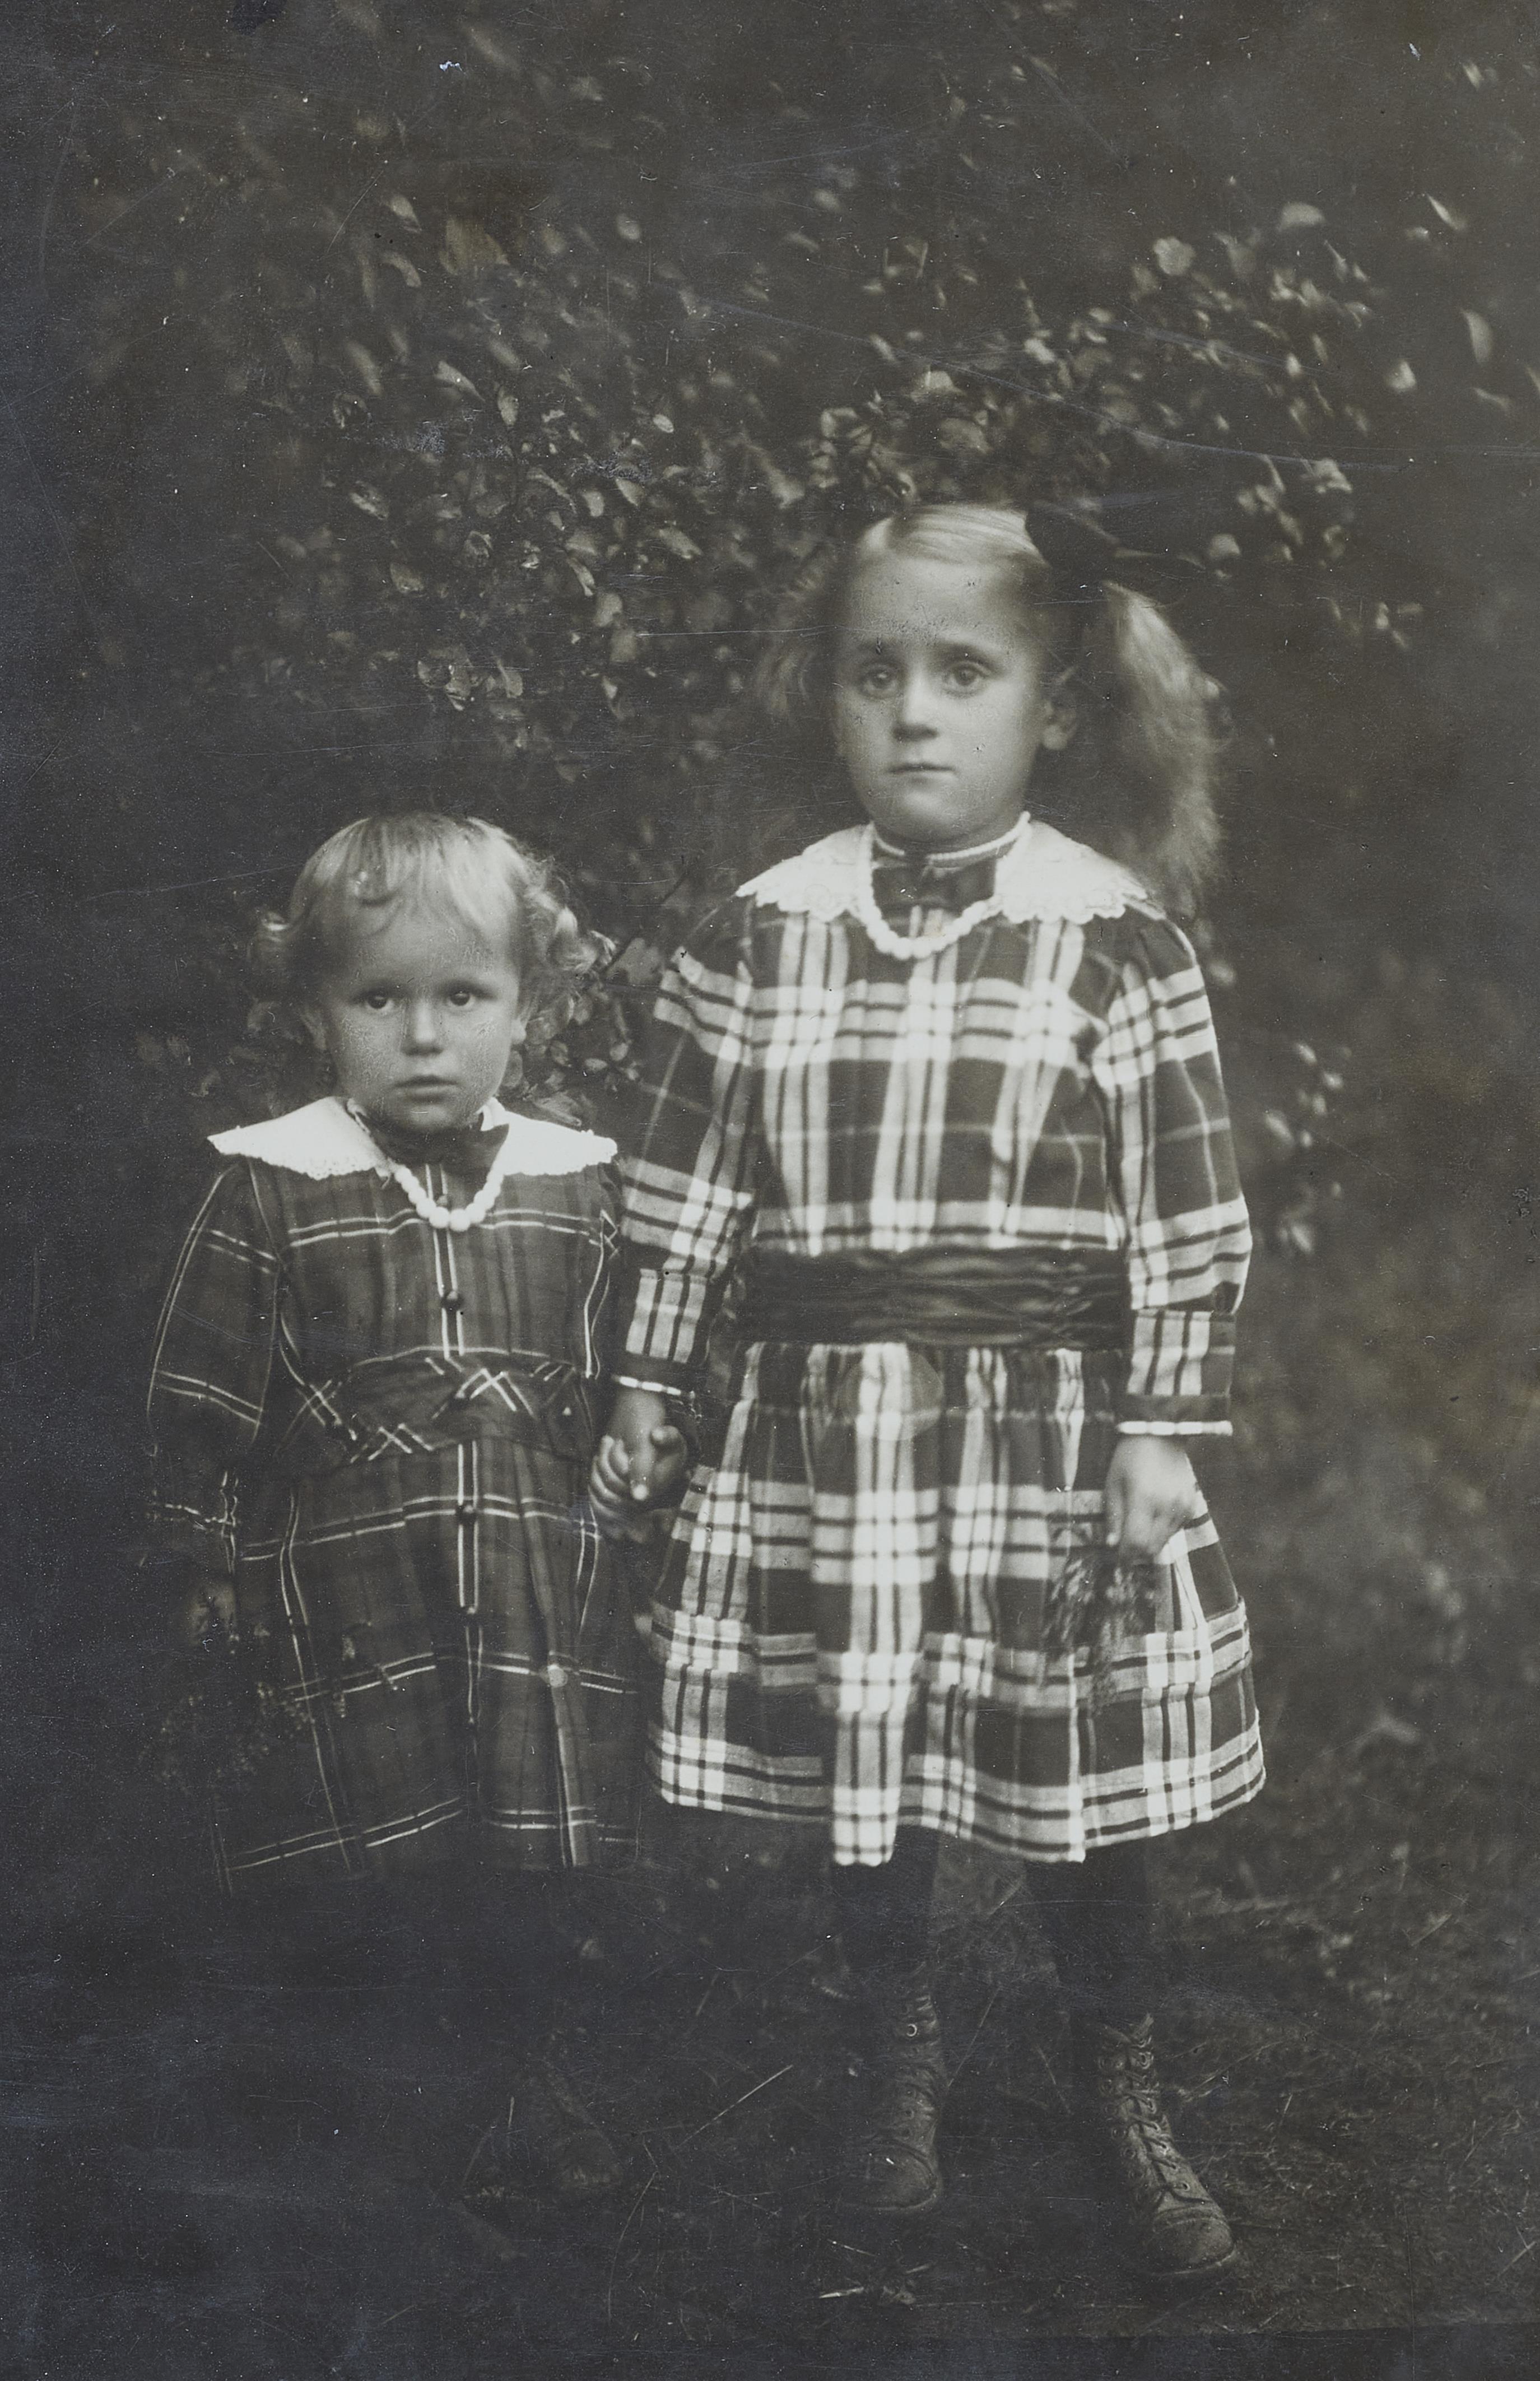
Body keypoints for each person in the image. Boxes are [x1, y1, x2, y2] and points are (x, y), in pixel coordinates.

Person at [592, 504, 1262, 2284]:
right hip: (836, 1430)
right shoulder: (758, 933)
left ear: (1051, 708)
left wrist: (1159, 1430)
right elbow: (681, 1196)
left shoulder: (1113, 937)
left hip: (1045, 1434)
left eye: (963, 673)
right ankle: (890, 2058)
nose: (911, 712)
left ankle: (1115, 2071)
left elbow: (1184, 1222)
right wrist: (651, 1382)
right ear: (826, 695)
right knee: (858, 1762)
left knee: (1081, 1771)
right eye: (871, 670)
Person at [144, 812, 682, 2202]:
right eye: (378, 998)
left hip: (532, 1593)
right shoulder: (272, 1185)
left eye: (464, 996)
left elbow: (634, 1367)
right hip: (343, 1596)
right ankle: (370, 2108)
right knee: (368, 1863)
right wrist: (199, 1560)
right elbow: (199, 1390)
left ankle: (517, 2076)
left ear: (529, 1005)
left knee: (521, 1858)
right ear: (318, 1010)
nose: (424, 1036)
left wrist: (644, 1458)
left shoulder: (576, 1190)